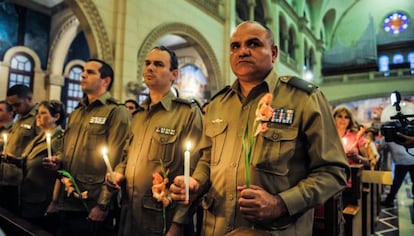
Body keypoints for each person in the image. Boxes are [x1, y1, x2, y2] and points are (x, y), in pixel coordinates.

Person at [169, 21, 349, 235]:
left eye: (253, 44)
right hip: (216, 228)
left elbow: (333, 171)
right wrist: (196, 181)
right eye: (235, 46)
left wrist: (280, 203)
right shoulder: (219, 104)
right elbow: (208, 158)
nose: (242, 51)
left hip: (276, 230)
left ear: (273, 53)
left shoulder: (304, 99)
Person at [107, 46, 203, 236]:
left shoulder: (187, 113)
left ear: (173, 74)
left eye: (158, 64)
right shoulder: (139, 115)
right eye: (148, 63)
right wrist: (117, 173)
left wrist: (178, 224)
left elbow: (193, 173)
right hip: (129, 214)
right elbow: (126, 156)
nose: (150, 68)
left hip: (162, 219)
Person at [43, 59, 131, 236]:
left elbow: (115, 161)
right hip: (68, 198)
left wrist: (103, 204)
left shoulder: (115, 112)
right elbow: (67, 149)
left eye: (90, 72)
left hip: (91, 202)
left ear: (105, 81)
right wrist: (58, 159)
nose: (83, 74)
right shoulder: (77, 112)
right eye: (83, 71)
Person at [19, 100, 65, 234]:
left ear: (56, 117)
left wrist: (55, 202)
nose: (38, 116)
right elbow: (30, 160)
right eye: (38, 113)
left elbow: (62, 168)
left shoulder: (59, 138)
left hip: (44, 199)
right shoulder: (39, 137)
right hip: (29, 195)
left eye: (43, 113)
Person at [1, 85, 38, 214]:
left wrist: (16, 159)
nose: (15, 110)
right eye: (12, 106)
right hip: (7, 179)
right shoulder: (19, 118)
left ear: (29, 98)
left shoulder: (38, 118)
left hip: (23, 183)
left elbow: (39, 150)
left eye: (17, 105)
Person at [380, 141, 414, 207]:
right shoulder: (407, 132)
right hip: (411, 157)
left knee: (397, 182)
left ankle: (389, 200)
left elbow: (379, 147)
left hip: (402, 160)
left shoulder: (388, 136)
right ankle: (390, 200)